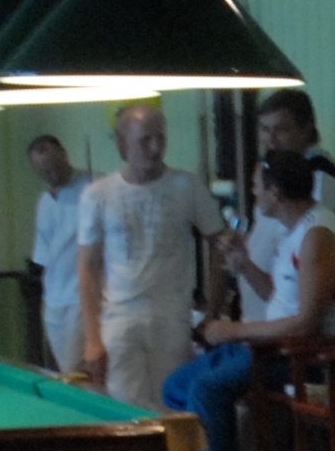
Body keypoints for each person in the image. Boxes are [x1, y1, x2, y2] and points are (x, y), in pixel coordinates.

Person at [170, 147, 335, 451]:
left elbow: (306, 323)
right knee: (176, 386)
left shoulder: (318, 235)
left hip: (305, 356)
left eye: (257, 185)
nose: (253, 192)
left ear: (275, 191)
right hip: (273, 347)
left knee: (206, 391)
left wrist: (234, 331)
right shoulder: (295, 230)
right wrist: (244, 264)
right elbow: (280, 298)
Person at [72, 100, 218, 408]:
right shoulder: (98, 194)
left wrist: (213, 311)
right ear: (122, 143)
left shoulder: (187, 186)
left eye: (160, 138)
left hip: (173, 316)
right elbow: (87, 268)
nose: (155, 148)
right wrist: (92, 339)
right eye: (144, 140)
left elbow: (220, 244)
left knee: (172, 405)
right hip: (120, 318)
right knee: (126, 410)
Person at [219, 88, 335, 318]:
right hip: (265, 312)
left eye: (280, 129)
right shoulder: (271, 172)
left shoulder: (319, 177)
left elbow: (307, 245)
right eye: (265, 129)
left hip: (291, 321)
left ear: (306, 129)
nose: (270, 139)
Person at [23, 131, 89, 372]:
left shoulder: (93, 188)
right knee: (67, 370)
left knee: (77, 373)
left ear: (64, 155)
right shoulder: (44, 202)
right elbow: (43, 258)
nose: (51, 176)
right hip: (54, 301)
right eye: (44, 172)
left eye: (54, 168)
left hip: (83, 298)